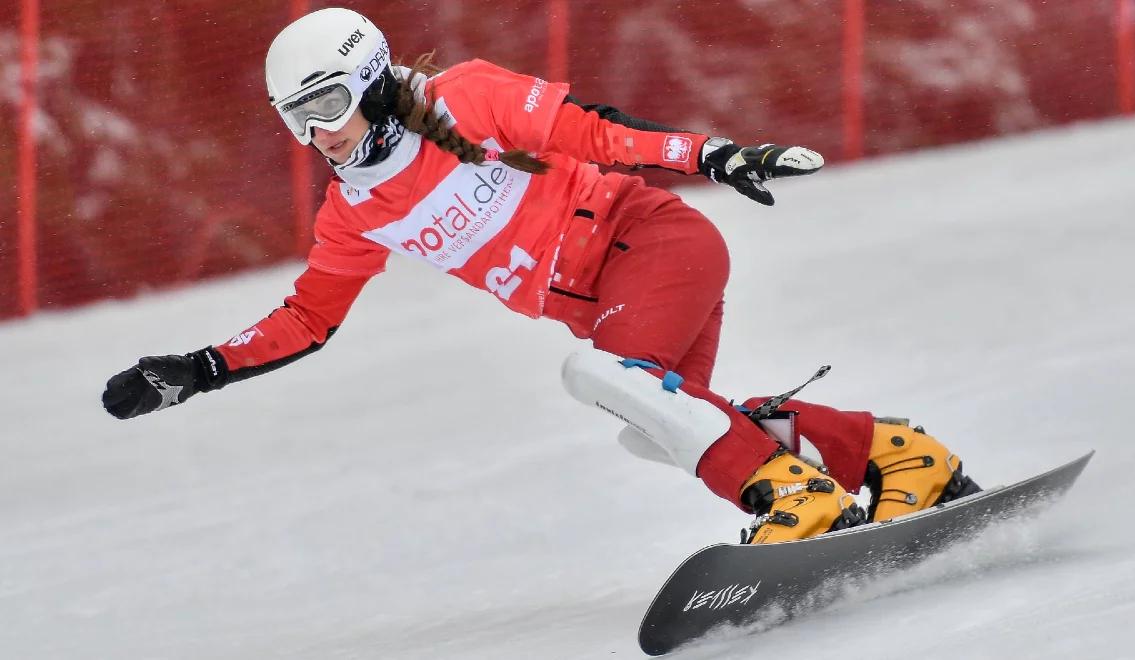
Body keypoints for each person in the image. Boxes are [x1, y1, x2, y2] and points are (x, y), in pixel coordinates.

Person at [101, 8, 980, 544]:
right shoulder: (356, 210)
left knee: (604, 377)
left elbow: (596, 132)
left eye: (326, 106)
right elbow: (310, 317)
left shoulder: (464, 99)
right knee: (654, 426)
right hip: (613, 304)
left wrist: (711, 154)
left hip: (656, 242)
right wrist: (203, 367)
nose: (318, 135)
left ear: (369, 82)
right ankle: (895, 455)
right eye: (297, 120)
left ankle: (798, 499)